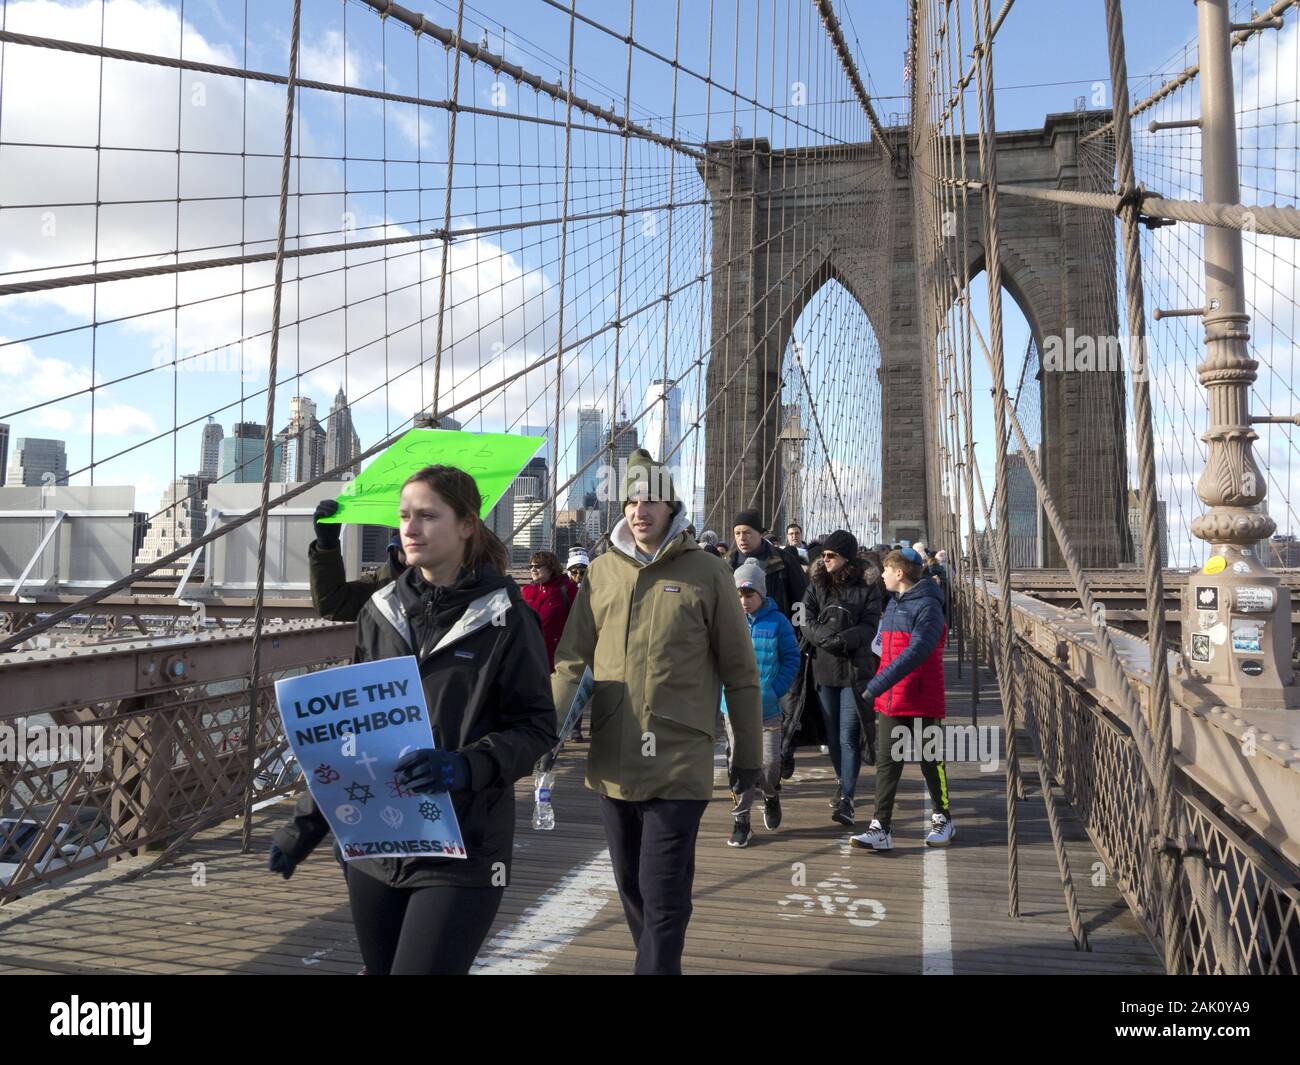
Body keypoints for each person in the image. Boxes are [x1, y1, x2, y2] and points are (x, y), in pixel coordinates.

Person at [268, 465, 558, 974]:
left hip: (463, 845)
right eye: (404, 516)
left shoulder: (507, 617)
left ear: (467, 524)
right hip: (375, 845)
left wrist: (465, 766)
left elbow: (536, 727)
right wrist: (305, 826)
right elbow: (349, 730)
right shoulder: (379, 610)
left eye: (427, 515)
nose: (411, 528)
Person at [551, 449, 763, 975]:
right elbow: (572, 662)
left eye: (650, 499)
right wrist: (544, 735)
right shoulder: (600, 573)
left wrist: (749, 758)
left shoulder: (709, 572)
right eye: (630, 499)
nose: (639, 510)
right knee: (630, 886)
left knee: (663, 893)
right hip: (612, 755)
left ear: (672, 506)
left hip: (678, 758)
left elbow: (740, 674)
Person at [851, 547, 954, 852]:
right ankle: (881, 826)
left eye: (886, 569)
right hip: (892, 699)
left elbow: (918, 650)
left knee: (931, 761)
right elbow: (885, 648)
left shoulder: (929, 607)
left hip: (921, 697)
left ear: (900, 573)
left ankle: (943, 816)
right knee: (887, 763)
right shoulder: (895, 604)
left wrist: (876, 684)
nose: (881, 575)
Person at [800, 530, 881, 827]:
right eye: (823, 555)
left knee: (848, 735)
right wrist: (826, 639)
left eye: (831, 555)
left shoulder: (868, 586)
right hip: (823, 669)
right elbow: (805, 619)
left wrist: (842, 640)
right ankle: (841, 779)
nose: (825, 559)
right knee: (831, 735)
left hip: (853, 672)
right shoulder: (816, 583)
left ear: (846, 556)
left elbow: (870, 625)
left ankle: (847, 798)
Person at [723, 560, 800, 847]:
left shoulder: (778, 621)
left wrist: (774, 688)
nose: (744, 600)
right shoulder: (727, 621)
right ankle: (741, 820)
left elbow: (792, 658)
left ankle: (770, 795)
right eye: (739, 594)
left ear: (761, 594)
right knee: (739, 765)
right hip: (733, 707)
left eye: (749, 594)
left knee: (769, 763)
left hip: (768, 708)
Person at [308, 499, 407, 622]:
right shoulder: (382, 585)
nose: (410, 560)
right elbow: (333, 605)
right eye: (403, 549)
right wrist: (326, 547)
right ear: (394, 550)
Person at [728, 510, 807, 621]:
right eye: (737, 533)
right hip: (740, 633)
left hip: (778, 632)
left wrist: (797, 633)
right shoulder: (728, 564)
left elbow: (801, 598)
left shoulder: (784, 560)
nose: (742, 538)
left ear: (760, 533)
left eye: (747, 532)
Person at [521, 550, 578, 672]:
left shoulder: (567, 589)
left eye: (538, 566)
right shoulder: (527, 591)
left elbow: (580, 620)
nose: (533, 570)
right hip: (530, 655)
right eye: (531, 566)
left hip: (558, 658)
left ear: (551, 568)